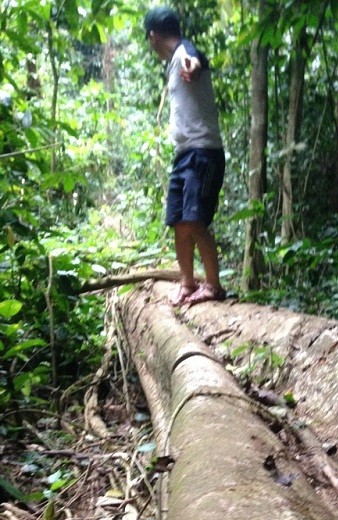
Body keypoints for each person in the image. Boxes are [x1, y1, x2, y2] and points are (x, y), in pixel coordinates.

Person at [144, 6, 226, 305]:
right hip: (184, 154)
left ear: (152, 36)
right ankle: (188, 282)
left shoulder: (183, 54)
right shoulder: (173, 62)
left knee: (194, 220)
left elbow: (194, 57)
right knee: (179, 222)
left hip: (203, 152)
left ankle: (214, 286)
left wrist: (194, 64)